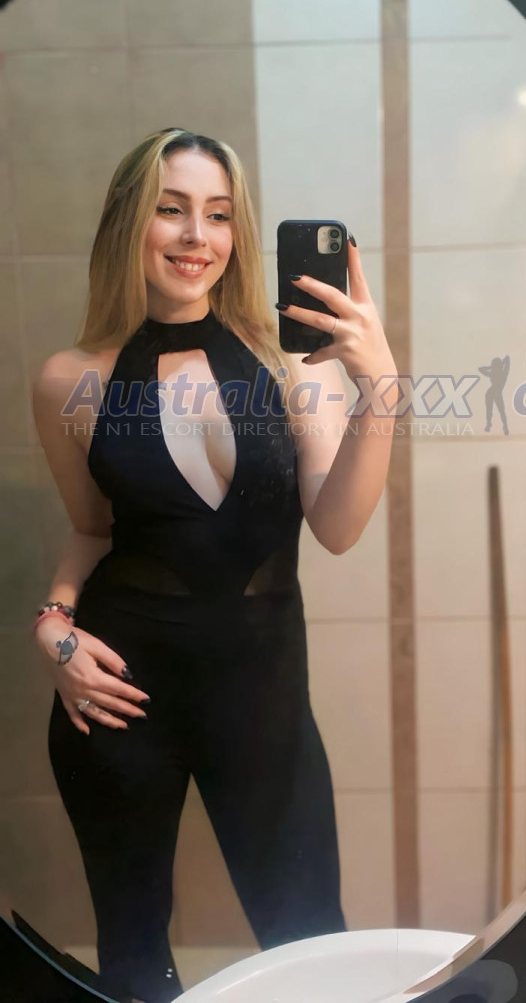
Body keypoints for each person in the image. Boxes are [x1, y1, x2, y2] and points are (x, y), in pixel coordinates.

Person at [30, 128, 398, 1003]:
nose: (198, 236)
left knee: (311, 944)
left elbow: (338, 527)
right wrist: (53, 630)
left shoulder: (292, 364)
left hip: (262, 694)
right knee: (133, 957)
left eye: (220, 215)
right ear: (130, 222)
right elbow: (91, 532)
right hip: (117, 695)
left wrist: (380, 385)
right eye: (172, 209)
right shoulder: (69, 380)